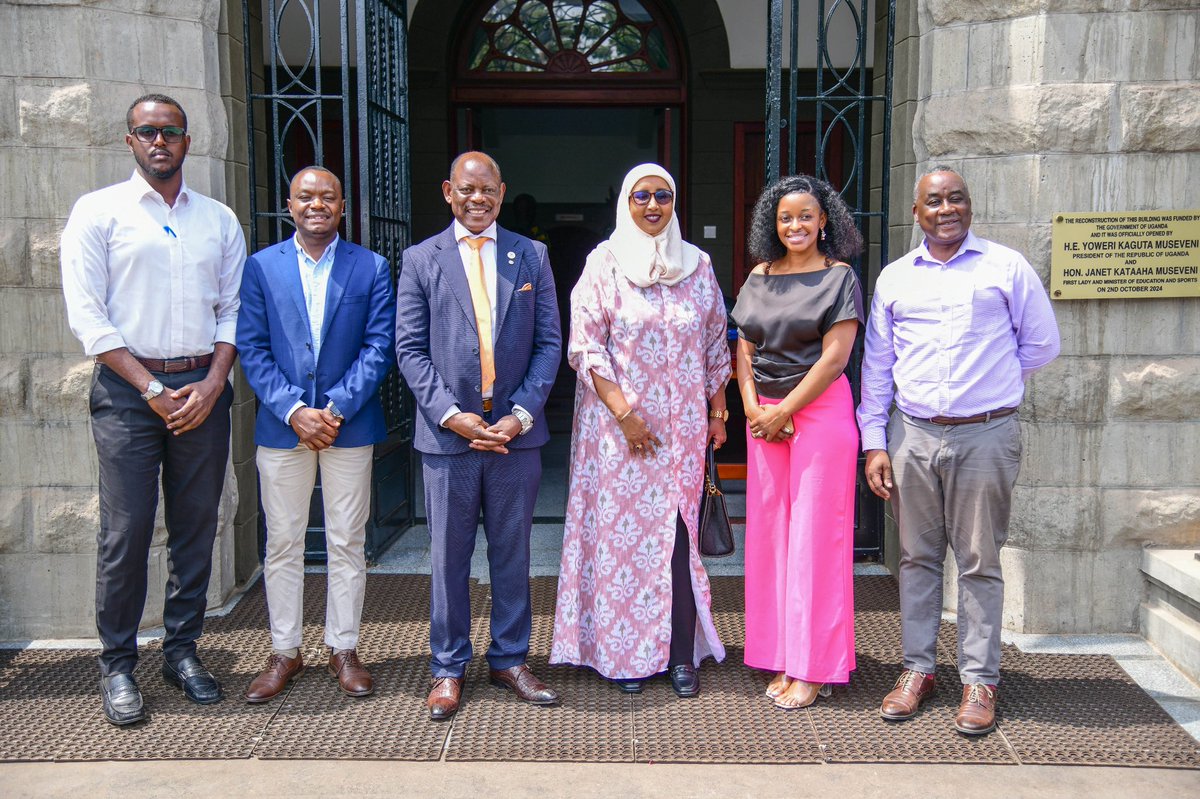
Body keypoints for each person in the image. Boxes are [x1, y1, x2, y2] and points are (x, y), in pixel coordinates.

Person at [60, 93, 246, 725]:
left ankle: (182, 651)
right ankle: (117, 664)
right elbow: (89, 317)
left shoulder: (218, 219)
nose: (159, 141)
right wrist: (150, 389)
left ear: (187, 141)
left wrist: (215, 382)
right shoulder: (98, 213)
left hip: (201, 387)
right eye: (147, 132)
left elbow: (231, 310)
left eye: (170, 131)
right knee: (127, 532)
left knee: (196, 526)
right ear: (129, 140)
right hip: (128, 392)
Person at [858, 167, 1060, 735]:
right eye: (934, 201)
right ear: (917, 213)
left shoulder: (1005, 267)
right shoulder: (896, 279)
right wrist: (875, 442)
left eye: (957, 198)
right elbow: (877, 368)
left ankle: (979, 680)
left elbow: (1042, 344)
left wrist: (990, 385)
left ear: (969, 206)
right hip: (913, 435)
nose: (947, 208)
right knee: (916, 558)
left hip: (986, 435)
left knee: (978, 561)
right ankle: (918, 671)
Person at [550, 163, 730, 697]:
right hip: (618, 436)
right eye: (642, 195)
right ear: (626, 202)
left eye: (664, 196)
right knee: (621, 546)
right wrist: (625, 415)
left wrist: (719, 415)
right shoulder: (603, 264)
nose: (653, 205)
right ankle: (623, 656)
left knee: (677, 541)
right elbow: (585, 346)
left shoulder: (698, 266)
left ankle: (679, 656)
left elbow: (715, 343)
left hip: (683, 435)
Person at [395, 151, 562, 721]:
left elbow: (548, 346)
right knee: (448, 557)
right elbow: (409, 349)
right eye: (466, 189)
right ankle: (447, 667)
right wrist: (450, 415)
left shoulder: (532, 255)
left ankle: (510, 658)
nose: (477, 198)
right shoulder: (421, 259)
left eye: (487, 189)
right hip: (450, 439)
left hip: (515, 435)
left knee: (514, 553)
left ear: (501, 190)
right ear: (448, 191)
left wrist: (521, 414)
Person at [236, 166, 395, 703]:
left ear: (343, 206)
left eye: (328, 197)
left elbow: (380, 347)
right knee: (282, 541)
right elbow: (251, 348)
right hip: (283, 431)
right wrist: (292, 410)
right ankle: (285, 650)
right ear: (290, 205)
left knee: (347, 540)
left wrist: (333, 409)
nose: (317, 205)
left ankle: (343, 648)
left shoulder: (370, 267)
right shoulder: (261, 268)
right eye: (307, 197)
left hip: (348, 428)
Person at [730, 174, 864, 710]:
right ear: (773, 223)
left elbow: (836, 357)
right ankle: (780, 655)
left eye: (806, 215)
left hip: (820, 413)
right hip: (762, 415)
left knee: (815, 542)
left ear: (824, 219)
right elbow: (742, 348)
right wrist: (752, 410)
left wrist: (786, 409)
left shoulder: (840, 277)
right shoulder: (759, 275)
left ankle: (813, 667)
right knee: (770, 540)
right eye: (786, 217)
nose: (796, 225)